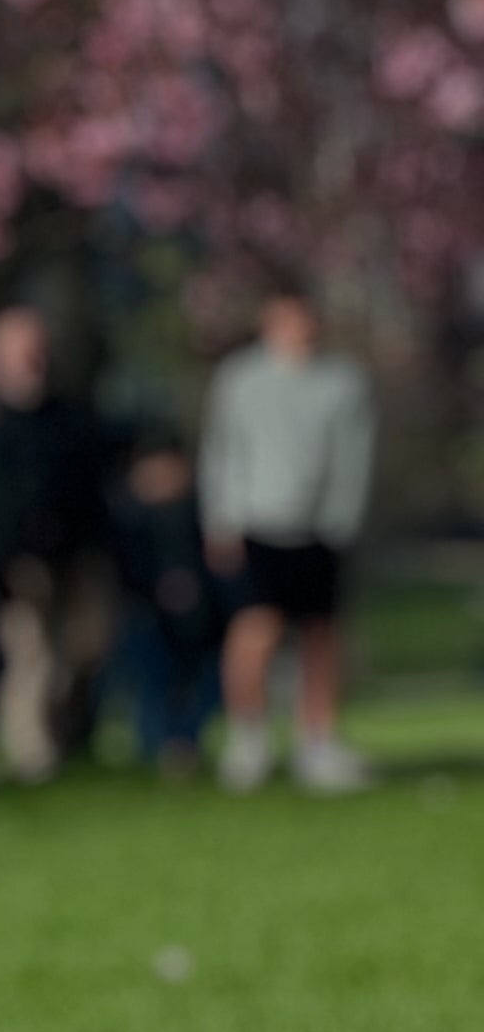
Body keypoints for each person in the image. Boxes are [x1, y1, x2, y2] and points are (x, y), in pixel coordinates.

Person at [200, 288, 376, 793]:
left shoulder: (342, 384)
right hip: (257, 523)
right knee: (256, 629)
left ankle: (317, 741)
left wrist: (343, 520)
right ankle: (248, 737)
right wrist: (221, 519)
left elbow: (352, 457)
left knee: (321, 635)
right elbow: (222, 451)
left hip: (320, 527)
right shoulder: (240, 379)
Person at [0, 305, 115, 782]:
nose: (33, 363)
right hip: (15, 564)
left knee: (85, 649)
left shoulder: (69, 417)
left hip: (74, 555)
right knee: (31, 656)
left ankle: (69, 736)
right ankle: (34, 756)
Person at [104, 422, 219, 779]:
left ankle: (184, 743)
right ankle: (160, 745)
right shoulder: (125, 519)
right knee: (153, 678)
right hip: (146, 613)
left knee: (207, 679)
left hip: (205, 618)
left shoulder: (207, 513)